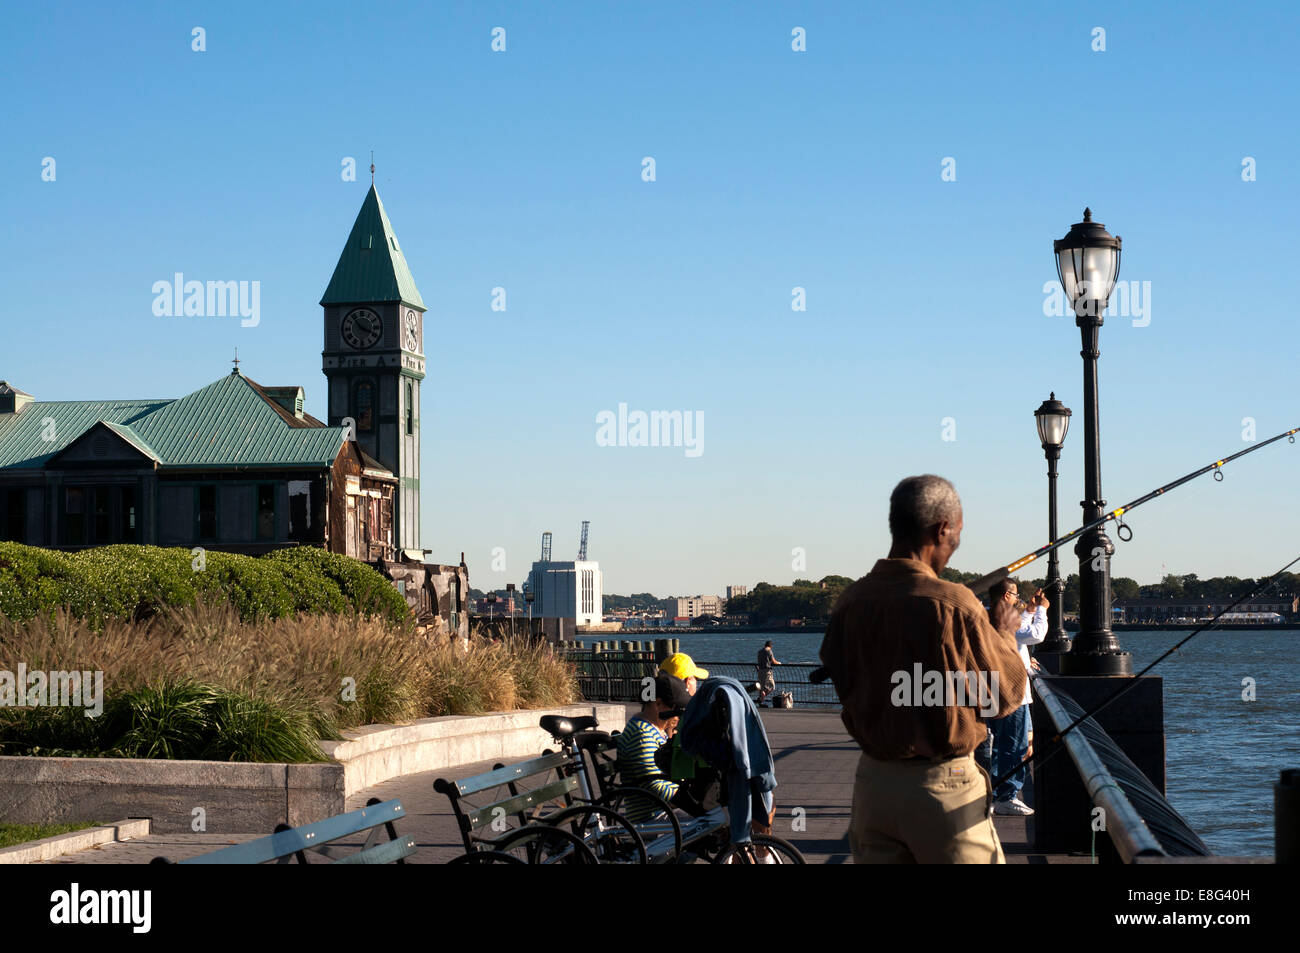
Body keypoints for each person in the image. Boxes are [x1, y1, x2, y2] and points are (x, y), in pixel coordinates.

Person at [818, 474, 1026, 864]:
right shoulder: (956, 603)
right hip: (944, 788)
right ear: (942, 528)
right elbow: (1003, 696)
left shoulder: (851, 602)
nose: (956, 544)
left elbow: (846, 681)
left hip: (873, 785)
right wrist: (1003, 634)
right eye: (958, 533)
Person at [986, 579, 1047, 815]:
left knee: (997, 745)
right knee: (1014, 745)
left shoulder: (989, 616)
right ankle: (1007, 796)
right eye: (1015, 595)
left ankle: (993, 793)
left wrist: (1030, 610)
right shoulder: (1004, 617)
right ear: (1005, 596)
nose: (1018, 599)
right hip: (1012, 693)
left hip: (992, 689)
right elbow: (1035, 635)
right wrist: (1041, 609)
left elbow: (1017, 639)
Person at [616, 672, 693, 821]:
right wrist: (692, 802)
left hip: (662, 812)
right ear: (658, 704)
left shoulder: (654, 730)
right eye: (676, 709)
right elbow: (653, 784)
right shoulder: (641, 734)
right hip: (651, 817)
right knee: (713, 820)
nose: (678, 715)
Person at [756, 641, 781, 705]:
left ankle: (761, 701)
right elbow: (773, 661)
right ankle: (762, 698)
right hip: (767, 671)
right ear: (771, 646)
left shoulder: (760, 651)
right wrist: (778, 663)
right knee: (772, 686)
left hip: (760, 670)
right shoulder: (769, 651)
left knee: (762, 686)